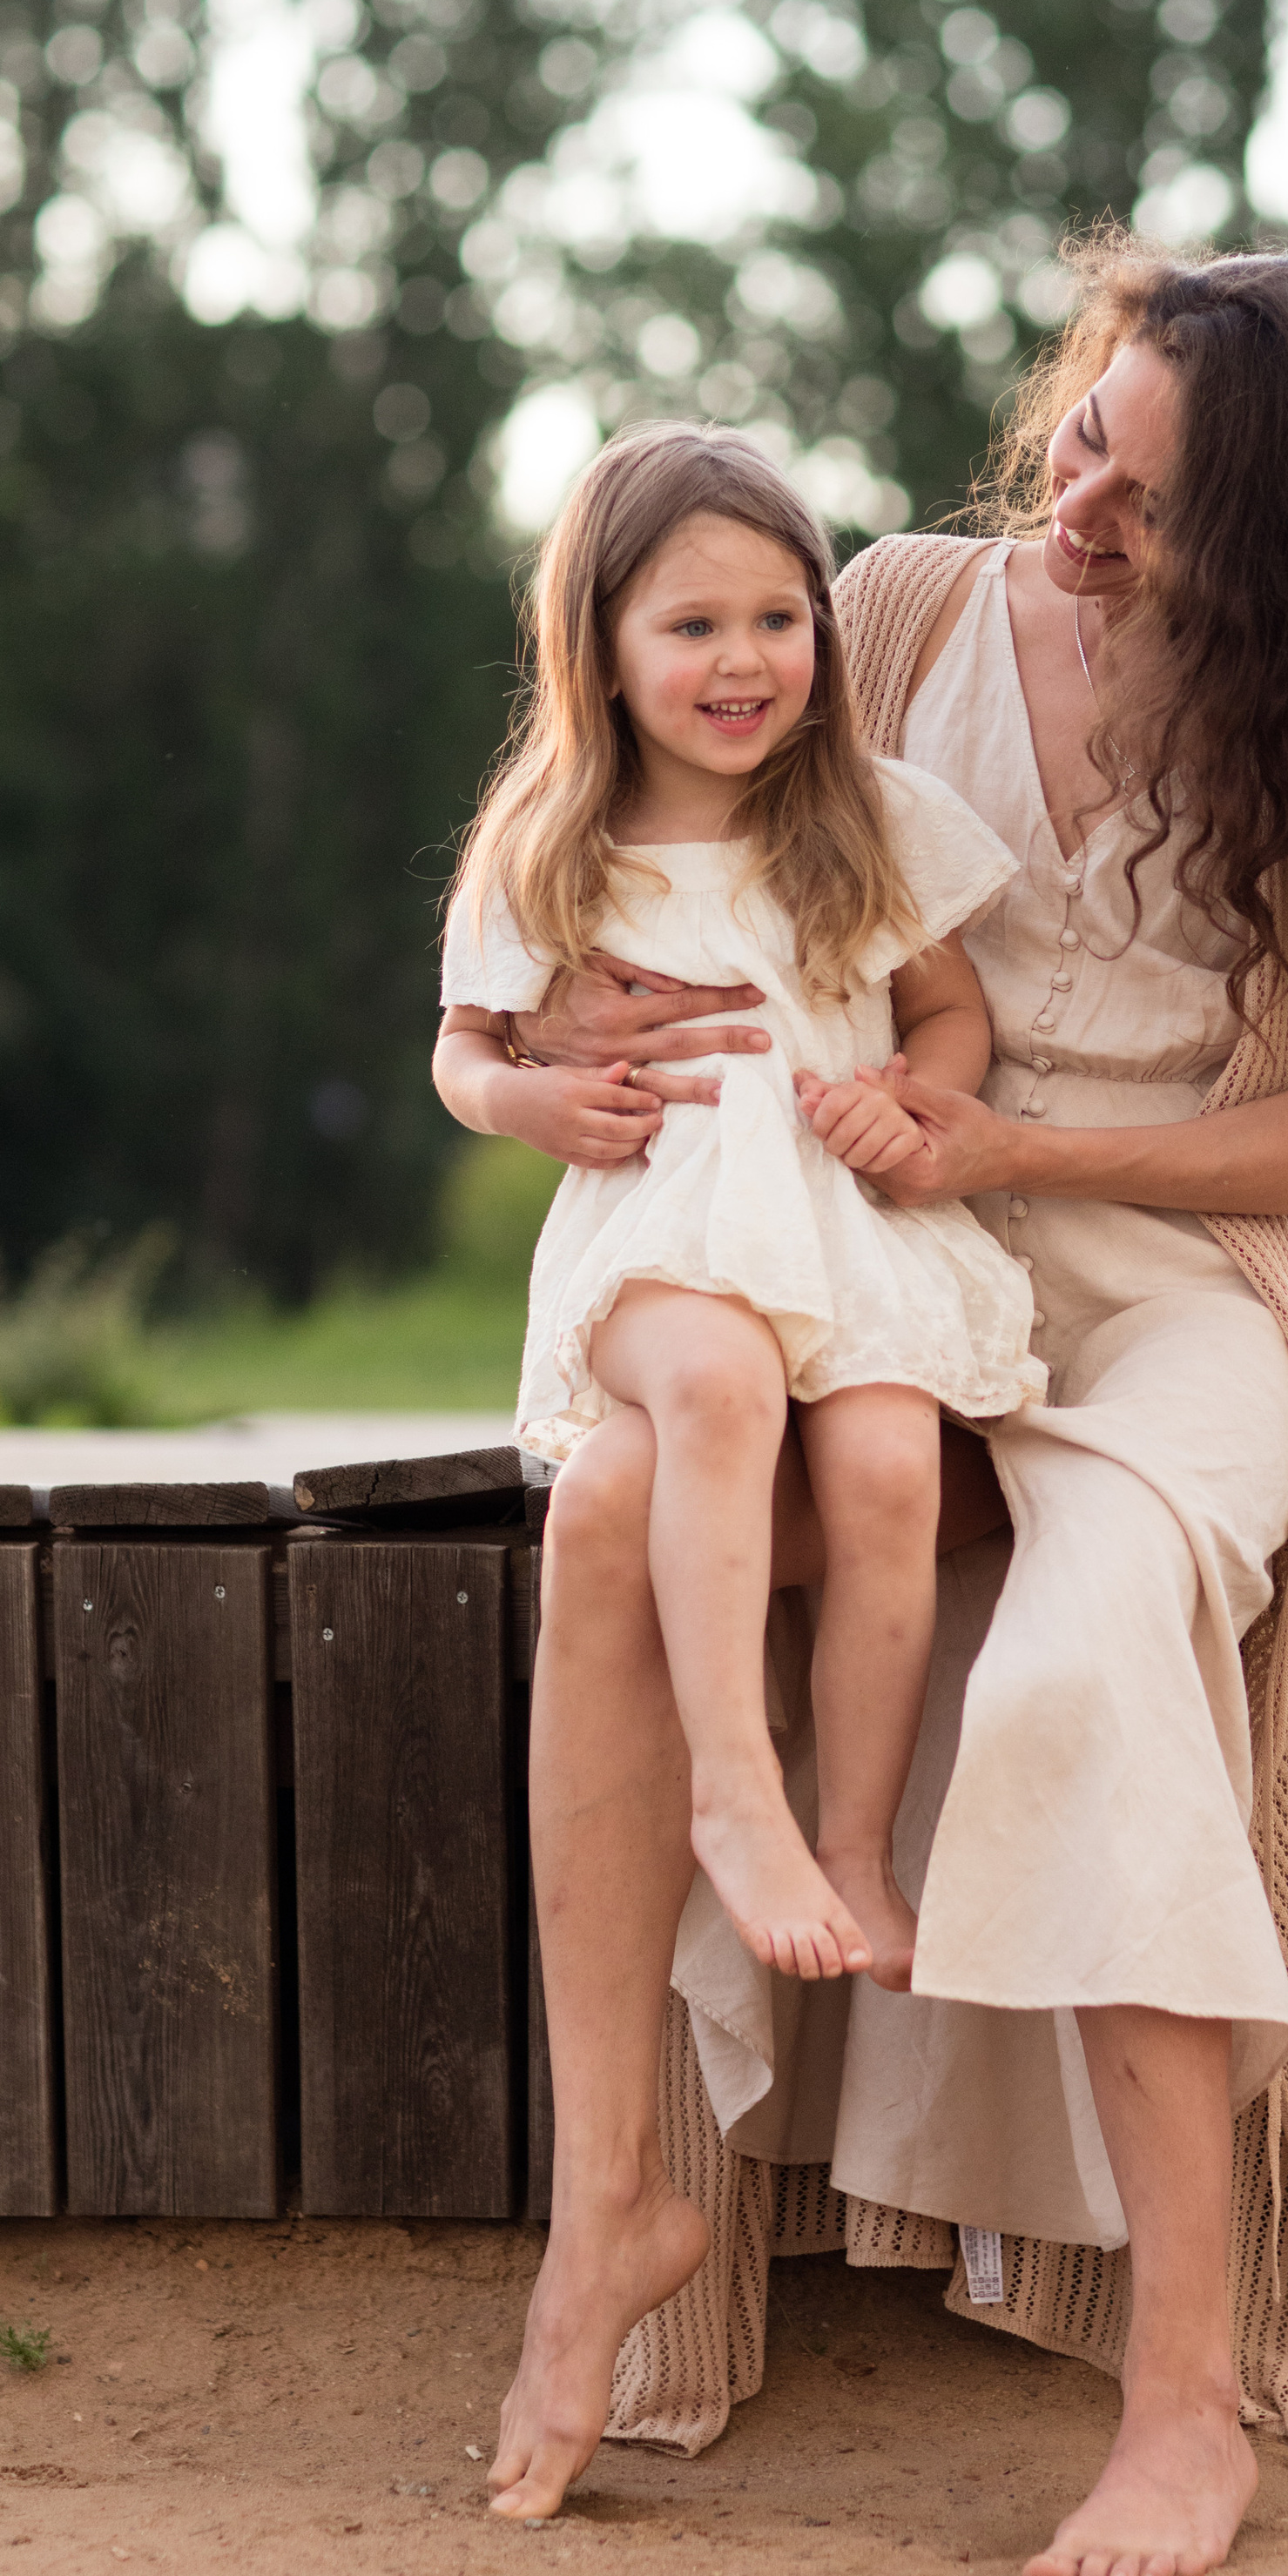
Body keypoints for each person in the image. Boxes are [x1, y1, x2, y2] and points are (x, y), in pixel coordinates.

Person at [481, 238, 1288, 2576]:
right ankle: (609, 2212)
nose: (1078, 511)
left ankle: (1181, 2405)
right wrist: (563, 1043)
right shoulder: (891, 613)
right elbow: (652, 845)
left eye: (1149, 500)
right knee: (617, 1507)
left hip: (1189, 1290)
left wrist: (1022, 1148)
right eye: (1084, 440)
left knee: (1092, 1646)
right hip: (885, 1249)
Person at [433, 425, 1045, 1995]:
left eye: (779, 619)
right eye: (691, 625)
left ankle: (855, 1846)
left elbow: (952, 1015)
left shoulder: (865, 814)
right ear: (605, 646)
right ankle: (730, 1786)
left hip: (844, 1217)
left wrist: (906, 1098)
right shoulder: (551, 839)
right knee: (714, 1384)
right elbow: (463, 1049)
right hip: (660, 1222)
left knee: (888, 1465)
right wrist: (531, 1103)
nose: (743, 661)